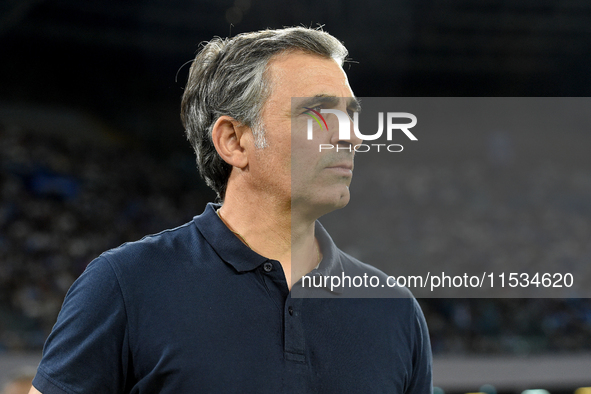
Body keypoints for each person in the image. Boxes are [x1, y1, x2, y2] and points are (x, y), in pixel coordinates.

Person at [29, 26, 432, 393]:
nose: (352, 136)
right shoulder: (125, 285)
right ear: (234, 141)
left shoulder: (394, 310)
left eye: (351, 115)